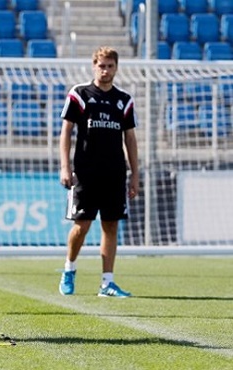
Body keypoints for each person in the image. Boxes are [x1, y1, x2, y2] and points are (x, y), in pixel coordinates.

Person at [58, 46, 139, 298]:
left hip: (114, 174)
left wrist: (134, 173)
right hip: (85, 173)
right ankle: (69, 269)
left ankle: (107, 283)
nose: (105, 70)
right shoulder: (80, 94)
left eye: (110, 66)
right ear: (94, 66)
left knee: (111, 226)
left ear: (116, 68)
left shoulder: (124, 100)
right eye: (101, 65)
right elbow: (66, 132)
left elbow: (130, 138)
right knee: (82, 226)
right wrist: (65, 166)